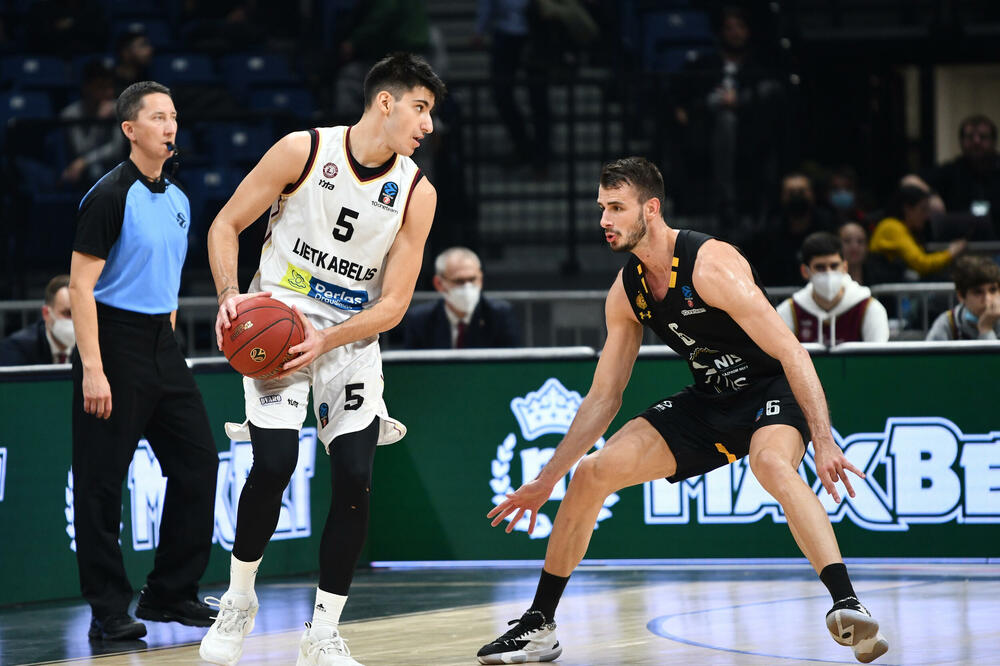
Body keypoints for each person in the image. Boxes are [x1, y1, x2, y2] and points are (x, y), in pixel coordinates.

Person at [477, 157, 888, 665]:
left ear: (651, 208)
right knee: (590, 473)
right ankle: (539, 625)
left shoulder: (710, 266)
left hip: (770, 388)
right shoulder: (627, 292)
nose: (604, 219)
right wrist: (545, 480)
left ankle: (846, 602)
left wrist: (823, 439)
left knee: (771, 465)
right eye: (601, 208)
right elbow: (604, 398)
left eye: (616, 208)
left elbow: (792, 352)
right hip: (711, 398)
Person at [198, 52, 445, 666]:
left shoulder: (417, 192)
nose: (428, 125)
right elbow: (225, 225)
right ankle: (239, 599)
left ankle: (323, 631)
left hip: (350, 340)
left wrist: (329, 341)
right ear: (384, 103)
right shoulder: (301, 152)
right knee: (275, 463)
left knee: (356, 477)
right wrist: (231, 296)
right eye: (421, 108)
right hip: (275, 325)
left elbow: (393, 306)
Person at [68, 81, 219, 641]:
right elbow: (82, 288)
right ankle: (108, 608)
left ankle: (170, 594)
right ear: (130, 129)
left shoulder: (179, 200)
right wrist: (93, 367)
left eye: (174, 116)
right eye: (157, 117)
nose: (169, 125)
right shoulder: (108, 195)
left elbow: (171, 285)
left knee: (199, 465)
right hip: (112, 339)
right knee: (102, 483)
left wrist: (167, 344)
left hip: (162, 342)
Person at [473, 0, 552, 173]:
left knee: (538, 98)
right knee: (503, 94)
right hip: (507, 33)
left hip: (534, 31)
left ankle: (540, 155)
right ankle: (526, 147)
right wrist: (480, 29)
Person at [776, 232, 889, 345]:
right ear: (805, 271)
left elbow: (877, 362)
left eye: (834, 266)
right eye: (820, 267)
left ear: (845, 267)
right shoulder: (789, 311)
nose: (828, 273)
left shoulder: (870, 309)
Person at [403, 247, 520, 349]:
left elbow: (512, 366)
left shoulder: (499, 315)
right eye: (459, 281)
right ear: (439, 283)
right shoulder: (419, 320)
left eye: (472, 279)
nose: (467, 287)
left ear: (481, 279)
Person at [747, 172, 835, 287]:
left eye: (801, 192)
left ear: (812, 195)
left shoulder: (828, 227)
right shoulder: (769, 234)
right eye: (791, 193)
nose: (796, 197)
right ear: (782, 197)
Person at [923, 114, 1000, 237]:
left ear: (993, 141)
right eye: (970, 137)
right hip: (956, 247)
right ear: (961, 141)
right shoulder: (951, 170)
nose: (976, 142)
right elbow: (910, 181)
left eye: (983, 137)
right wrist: (930, 194)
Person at [869, 184, 965, 280]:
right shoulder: (892, 227)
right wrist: (950, 253)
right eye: (923, 209)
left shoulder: (905, 228)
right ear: (907, 209)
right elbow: (921, 263)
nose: (927, 216)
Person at [60, 60, 127, 188]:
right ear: (87, 88)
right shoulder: (70, 114)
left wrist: (84, 162)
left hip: (114, 167)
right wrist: (98, 122)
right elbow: (81, 150)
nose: (109, 93)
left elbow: (116, 149)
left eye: (110, 87)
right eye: (101, 87)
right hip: (84, 173)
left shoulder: (117, 110)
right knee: (95, 171)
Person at [0, 274, 74, 366]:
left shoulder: (91, 346)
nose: (74, 321)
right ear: (46, 313)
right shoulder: (17, 349)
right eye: (67, 313)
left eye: (79, 315)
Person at [926, 255, 1000, 340]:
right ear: (961, 296)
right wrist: (985, 327)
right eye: (978, 292)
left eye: (993, 290)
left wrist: (986, 329)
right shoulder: (947, 324)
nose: (988, 299)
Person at [838, 221, 871, 285]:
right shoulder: (831, 278)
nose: (854, 247)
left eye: (860, 241)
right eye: (847, 241)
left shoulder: (880, 275)